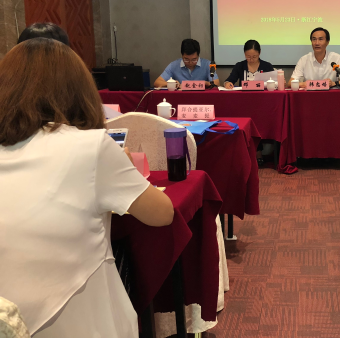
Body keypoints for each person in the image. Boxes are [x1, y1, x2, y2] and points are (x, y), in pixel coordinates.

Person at [0, 38, 174, 338]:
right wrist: (127, 168)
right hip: (78, 323)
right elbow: (162, 213)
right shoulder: (91, 147)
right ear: (78, 91)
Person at [154, 38, 219, 88]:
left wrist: (206, 83)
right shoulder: (174, 65)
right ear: (182, 55)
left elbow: (217, 83)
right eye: (186, 59)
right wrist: (172, 84)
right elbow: (157, 83)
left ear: (198, 56)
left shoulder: (207, 64)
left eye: (194, 60)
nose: (190, 63)